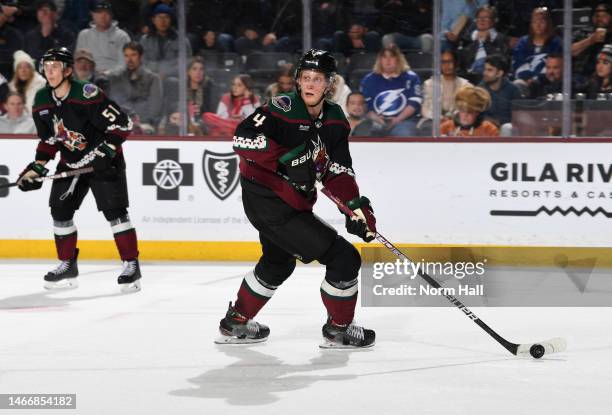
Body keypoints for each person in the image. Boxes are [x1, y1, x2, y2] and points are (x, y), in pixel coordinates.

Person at [217, 49, 376, 348]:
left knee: (278, 262)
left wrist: (354, 206)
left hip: (291, 202)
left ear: (329, 84)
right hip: (269, 200)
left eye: (318, 79)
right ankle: (339, 329)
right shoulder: (281, 107)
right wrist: (285, 158)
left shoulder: (335, 120)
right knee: (344, 258)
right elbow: (242, 138)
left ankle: (235, 323)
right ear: (298, 81)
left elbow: (338, 169)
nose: (310, 85)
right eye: (306, 78)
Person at [16, 47, 141, 293]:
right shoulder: (41, 101)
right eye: (47, 66)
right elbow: (49, 141)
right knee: (60, 211)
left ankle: (131, 264)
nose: (49, 71)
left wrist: (107, 151)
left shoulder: (87, 93)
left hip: (104, 160)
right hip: (71, 162)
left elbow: (122, 124)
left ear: (68, 71)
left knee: (115, 212)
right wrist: (38, 167)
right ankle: (67, 264)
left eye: (55, 66)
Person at [360, 44, 423, 137]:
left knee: (405, 133)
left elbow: (414, 104)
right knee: (364, 132)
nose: (388, 61)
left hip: (404, 121)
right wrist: (376, 118)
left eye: (392, 56)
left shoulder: (411, 77)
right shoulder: (369, 80)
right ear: (380, 60)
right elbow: (365, 105)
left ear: (398, 59)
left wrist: (397, 119)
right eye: (384, 57)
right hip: (376, 120)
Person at [106, 41, 163, 131]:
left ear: (141, 56)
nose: (129, 59)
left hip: (144, 125)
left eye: (133, 55)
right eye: (126, 56)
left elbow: (155, 109)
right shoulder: (116, 78)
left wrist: (142, 123)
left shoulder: (152, 78)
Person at [512, 7, 562, 93]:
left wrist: (536, 79)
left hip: (548, 82)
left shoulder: (556, 42)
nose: (538, 25)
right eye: (535, 22)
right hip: (524, 82)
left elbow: (556, 66)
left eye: (542, 22)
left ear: (548, 23)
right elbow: (518, 64)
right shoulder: (523, 42)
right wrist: (527, 79)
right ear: (531, 24)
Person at [420, 49, 472, 131]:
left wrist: (452, 118)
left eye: (450, 61)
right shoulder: (429, 84)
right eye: (443, 62)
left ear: (456, 63)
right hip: (433, 121)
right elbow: (426, 109)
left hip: (458, 121)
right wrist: (440, 118)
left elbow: (466, 109)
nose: (447, 65)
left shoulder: (466, 86)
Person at [75, 1, 131, 73]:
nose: (102, 16)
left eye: (106, 13)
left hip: (115, 77)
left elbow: (124, 64)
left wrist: (107, 74)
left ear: (111, 15)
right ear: (92, 14)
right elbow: (78, 62)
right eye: (99, 13)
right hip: (89, 76)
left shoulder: (122, 36)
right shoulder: (84, 35)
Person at [139, 3, 192, 80]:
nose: (163, 21)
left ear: (170, 20)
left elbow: (187, 64)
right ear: (154, 20)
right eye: (159, 17)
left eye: (166, 17)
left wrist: (166, 73)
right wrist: (158, 72)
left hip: (175, 81)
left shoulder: (182, 41)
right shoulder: (145, 40)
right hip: (150, 80)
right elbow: (142, 63)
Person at [458, 5, 509, 84]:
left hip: (490, 76)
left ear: (493, 21)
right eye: (479, 17)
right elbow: (464, 62)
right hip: (470, 76)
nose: (481, 20)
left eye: (486, 17)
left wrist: (486, 43)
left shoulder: (501, 39)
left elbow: (501, 62)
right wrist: (477, 42)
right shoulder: (468, 39)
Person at [479, 54, 521, 135]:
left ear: (499, 73)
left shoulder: (513, 90)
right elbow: (476, 115)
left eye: (489, 70)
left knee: (507, 128)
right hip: (486, 130)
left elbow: (518, 116)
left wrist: (502, 123)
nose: (485, 73)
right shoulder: (480, 90)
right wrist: (491, 121)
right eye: (485, 69)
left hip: (508, 131)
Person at [572, 4, 612, 81]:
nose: (600, 19)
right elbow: (568, 52)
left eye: (604, 16)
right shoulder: (582, 33)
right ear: (592, 18)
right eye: (597, 16)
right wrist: (590, 40)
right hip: (581, 78)